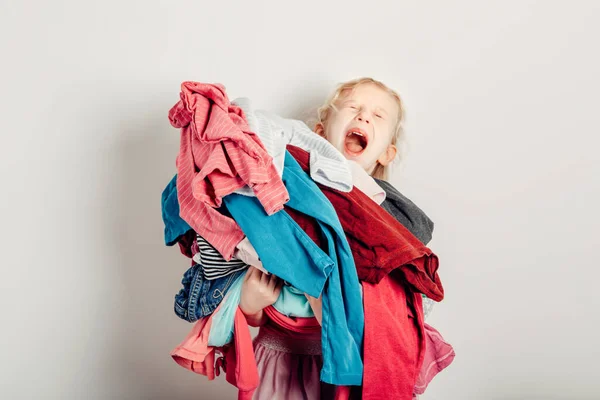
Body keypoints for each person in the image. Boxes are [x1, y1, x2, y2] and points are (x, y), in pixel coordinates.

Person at [239, 77, 433, 399]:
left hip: (344, 371)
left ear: (387, 153)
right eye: (353, 108)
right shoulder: (283, 193)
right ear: (317, 136)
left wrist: (333, 308)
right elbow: (239, 272)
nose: (363, 117)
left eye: (378, 115)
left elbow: (400, 314)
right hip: (275, 361)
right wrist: (250, 304)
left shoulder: (389, 225)